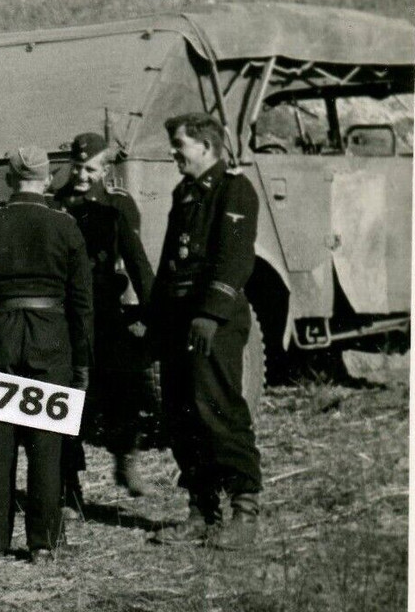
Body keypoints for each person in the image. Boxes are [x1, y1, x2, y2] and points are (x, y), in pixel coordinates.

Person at [0, 145, 94, 564]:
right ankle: (44, 543)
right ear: (47, 178)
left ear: (8, 177)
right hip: (51, 339)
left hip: (1, 335)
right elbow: (82, 303)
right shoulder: (65, 225)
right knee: (46, 443)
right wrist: (83, 360)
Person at [150, 113, 262, 550]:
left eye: (180, 144)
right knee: (182, 414)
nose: (174, 152)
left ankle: (244, 513)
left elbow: (235, 258)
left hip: (211, 324)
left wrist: (210, 313)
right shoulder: (185, 193)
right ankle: (201, 511)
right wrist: (156, 320)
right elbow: (169, 264)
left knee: (217, 408)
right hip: (181, 322)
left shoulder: (234, 189)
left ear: (206, 146)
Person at [52, 132, 156, 513]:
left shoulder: (118, 206)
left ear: (106, 169)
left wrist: (153, 312)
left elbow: (137, 261)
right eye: (77, 167)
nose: (82, 175)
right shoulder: (57, 206)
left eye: (90, 168)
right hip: (66, 317)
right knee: (68, 401)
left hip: (107, 314)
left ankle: (125, 459)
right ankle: (68, 485)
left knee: (123, 388)